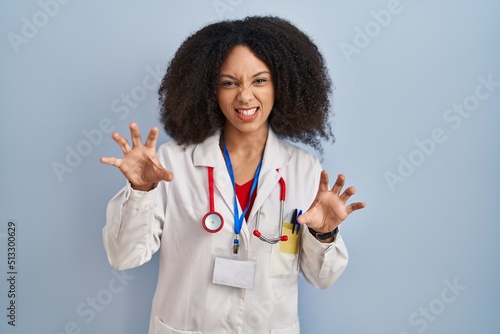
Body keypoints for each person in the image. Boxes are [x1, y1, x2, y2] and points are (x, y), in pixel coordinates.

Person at [100, 15, 365, 334]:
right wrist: (141, 191)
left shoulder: (303, 168)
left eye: (259, 80)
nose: (245, 96)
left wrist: (324, 235)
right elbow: (124, 257)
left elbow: (323, 278)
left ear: (282, 85)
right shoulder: (172, 163)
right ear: (209, 90)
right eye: (229, 82)